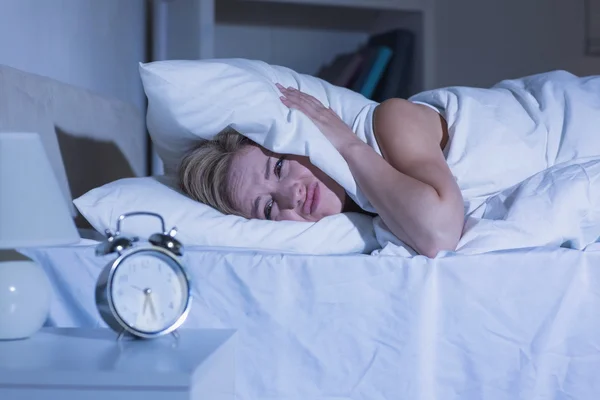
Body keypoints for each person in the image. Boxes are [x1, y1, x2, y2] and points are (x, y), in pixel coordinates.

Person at [179, 83, 465, 257]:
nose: (291, 197)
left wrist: (348, 143)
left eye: (278, 167)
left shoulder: (391, 122)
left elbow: (439, 236)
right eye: (268, 208)